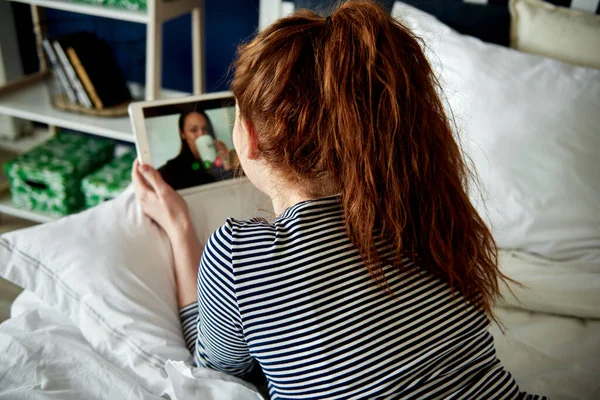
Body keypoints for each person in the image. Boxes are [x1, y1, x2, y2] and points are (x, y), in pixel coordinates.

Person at [132, 1, 547, 398]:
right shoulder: (420, 216)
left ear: (251, 140)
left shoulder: (239, 255)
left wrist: (180, 230)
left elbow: (212, 373)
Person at [157, 110, 233, 191]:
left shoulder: (220, 163)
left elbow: (235, 191)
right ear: (182, 133)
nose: (201, 134)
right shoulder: (171, 170)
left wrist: (226, 161)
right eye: (194, 130)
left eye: (205, 129)